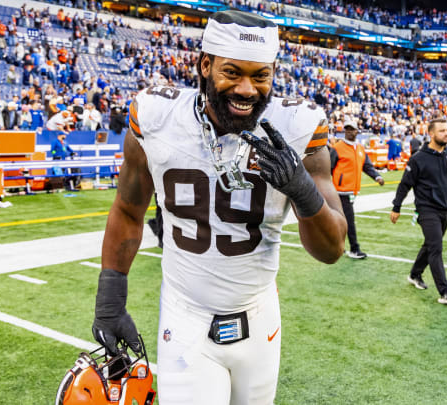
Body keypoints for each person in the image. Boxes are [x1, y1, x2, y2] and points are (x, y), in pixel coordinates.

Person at [92, 10, 346, 405]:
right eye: (232, 72)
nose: (247, 89)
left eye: (260, 75)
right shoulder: (158, 116)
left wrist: (301, 188)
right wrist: (111, 299)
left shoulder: (297, 125)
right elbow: (128, 209)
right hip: (186, 315)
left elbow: (332, 250)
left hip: (260, 316)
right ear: (205, 65)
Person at [390, 117, 447, 305]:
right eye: (441, 131)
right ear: (431, 134)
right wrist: (396, 207)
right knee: (436, 248)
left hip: (445, 208)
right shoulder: (418, 159)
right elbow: (405, 184)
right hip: (426, 209)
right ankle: (445, 292)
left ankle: (415, 274)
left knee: (430, 245)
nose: (446, 133)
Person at [329, 118, 384, 259]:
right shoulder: (337, 148)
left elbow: (367, 166)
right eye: (346, 129)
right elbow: (329, 167)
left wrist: (377, 177)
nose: (348, 131)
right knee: (349, 220)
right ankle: (354, 248)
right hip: (341, 191)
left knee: (341, 221)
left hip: (352, 191)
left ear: (357, 131)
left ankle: (336, 247)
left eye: (351, 129)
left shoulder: (359, 148)